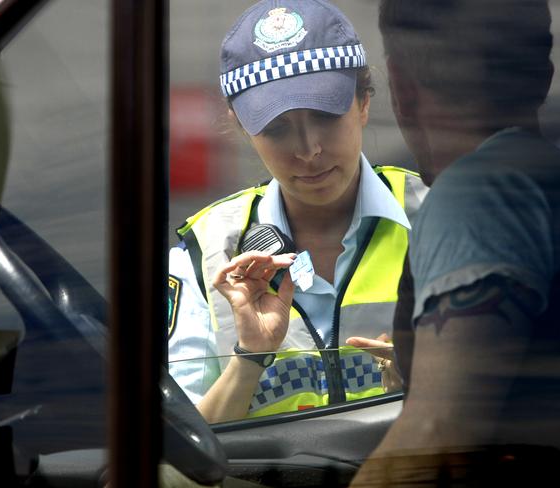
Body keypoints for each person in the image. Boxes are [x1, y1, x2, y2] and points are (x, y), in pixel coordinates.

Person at [351, 0, 560, 484]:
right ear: (543, 73)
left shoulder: (479, 190)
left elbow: (436, 436)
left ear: (400, 86)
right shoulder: (559, 180)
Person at [168, 0, 426, 424]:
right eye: (277, 128)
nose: (308, 150)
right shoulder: (203, 253)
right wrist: (249, 357)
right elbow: (178, 453)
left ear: (364, 102)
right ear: (242, 128)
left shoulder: (436, 216)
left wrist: (430, 387)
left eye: (325, 116)